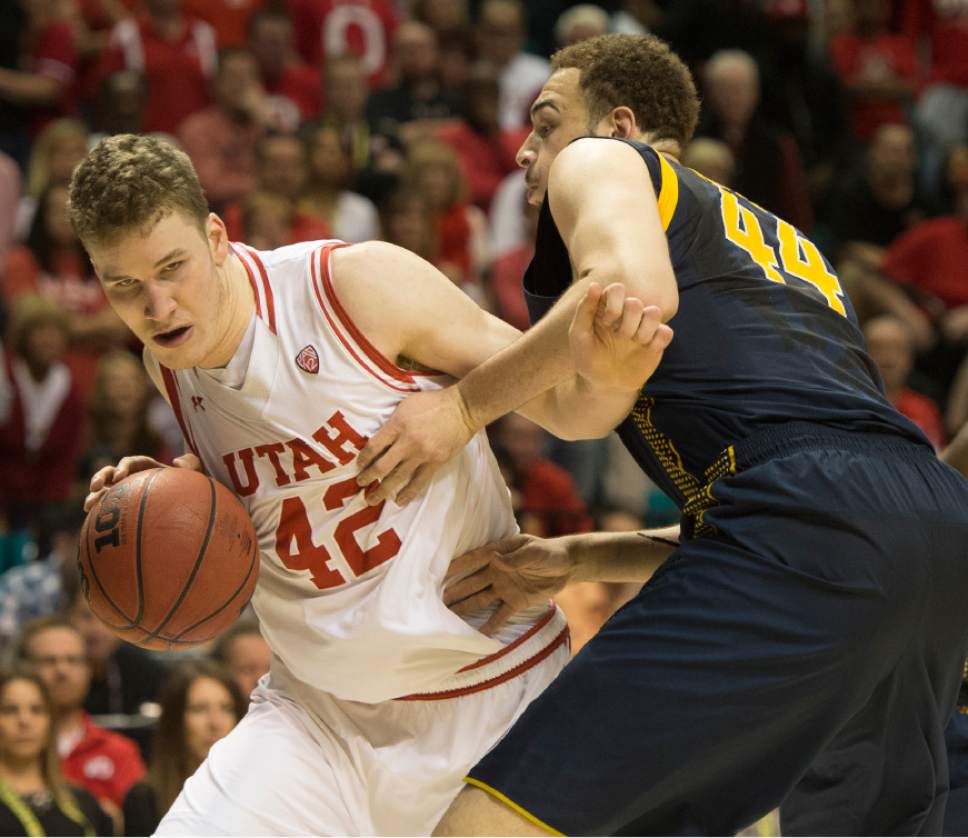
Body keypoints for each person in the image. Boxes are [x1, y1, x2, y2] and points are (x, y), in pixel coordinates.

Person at [349, 33, 968, 836]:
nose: (528, 155)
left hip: (812, 521)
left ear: (619, 122)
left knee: (488, 825)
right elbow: (820, 495)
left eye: (546, 123)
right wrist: (580, 556)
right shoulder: (794, 253)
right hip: (933, 526)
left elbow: (631, 291)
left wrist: (461, 409)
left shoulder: (602, 161)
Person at [69, 132, 673, 834]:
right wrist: (174, 498)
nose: (158, 305)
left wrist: (464, 407)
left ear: (215, 236)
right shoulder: (164, 367)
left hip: (488, 698)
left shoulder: (353, 288)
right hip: (313, 720)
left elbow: (577, 407)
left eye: (172, 268)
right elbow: (267, 494)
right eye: (124, 285)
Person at [16, 618, 146, 814]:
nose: (62, 670)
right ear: (23, 669)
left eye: (73, 660)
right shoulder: (9, 748)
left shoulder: (120, 752)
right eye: (48, 661)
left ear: (89, 670)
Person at [122, 661, 246, 836]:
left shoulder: (261, 791)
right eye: (199, 709)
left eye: (226, 709)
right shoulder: (144, 800)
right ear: (174, 720)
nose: (215, 723)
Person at [0, 667, 112, 836]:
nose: (24, 720)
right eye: (10, 710)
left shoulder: (83, 802)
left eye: (37, 710)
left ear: (50, 721)